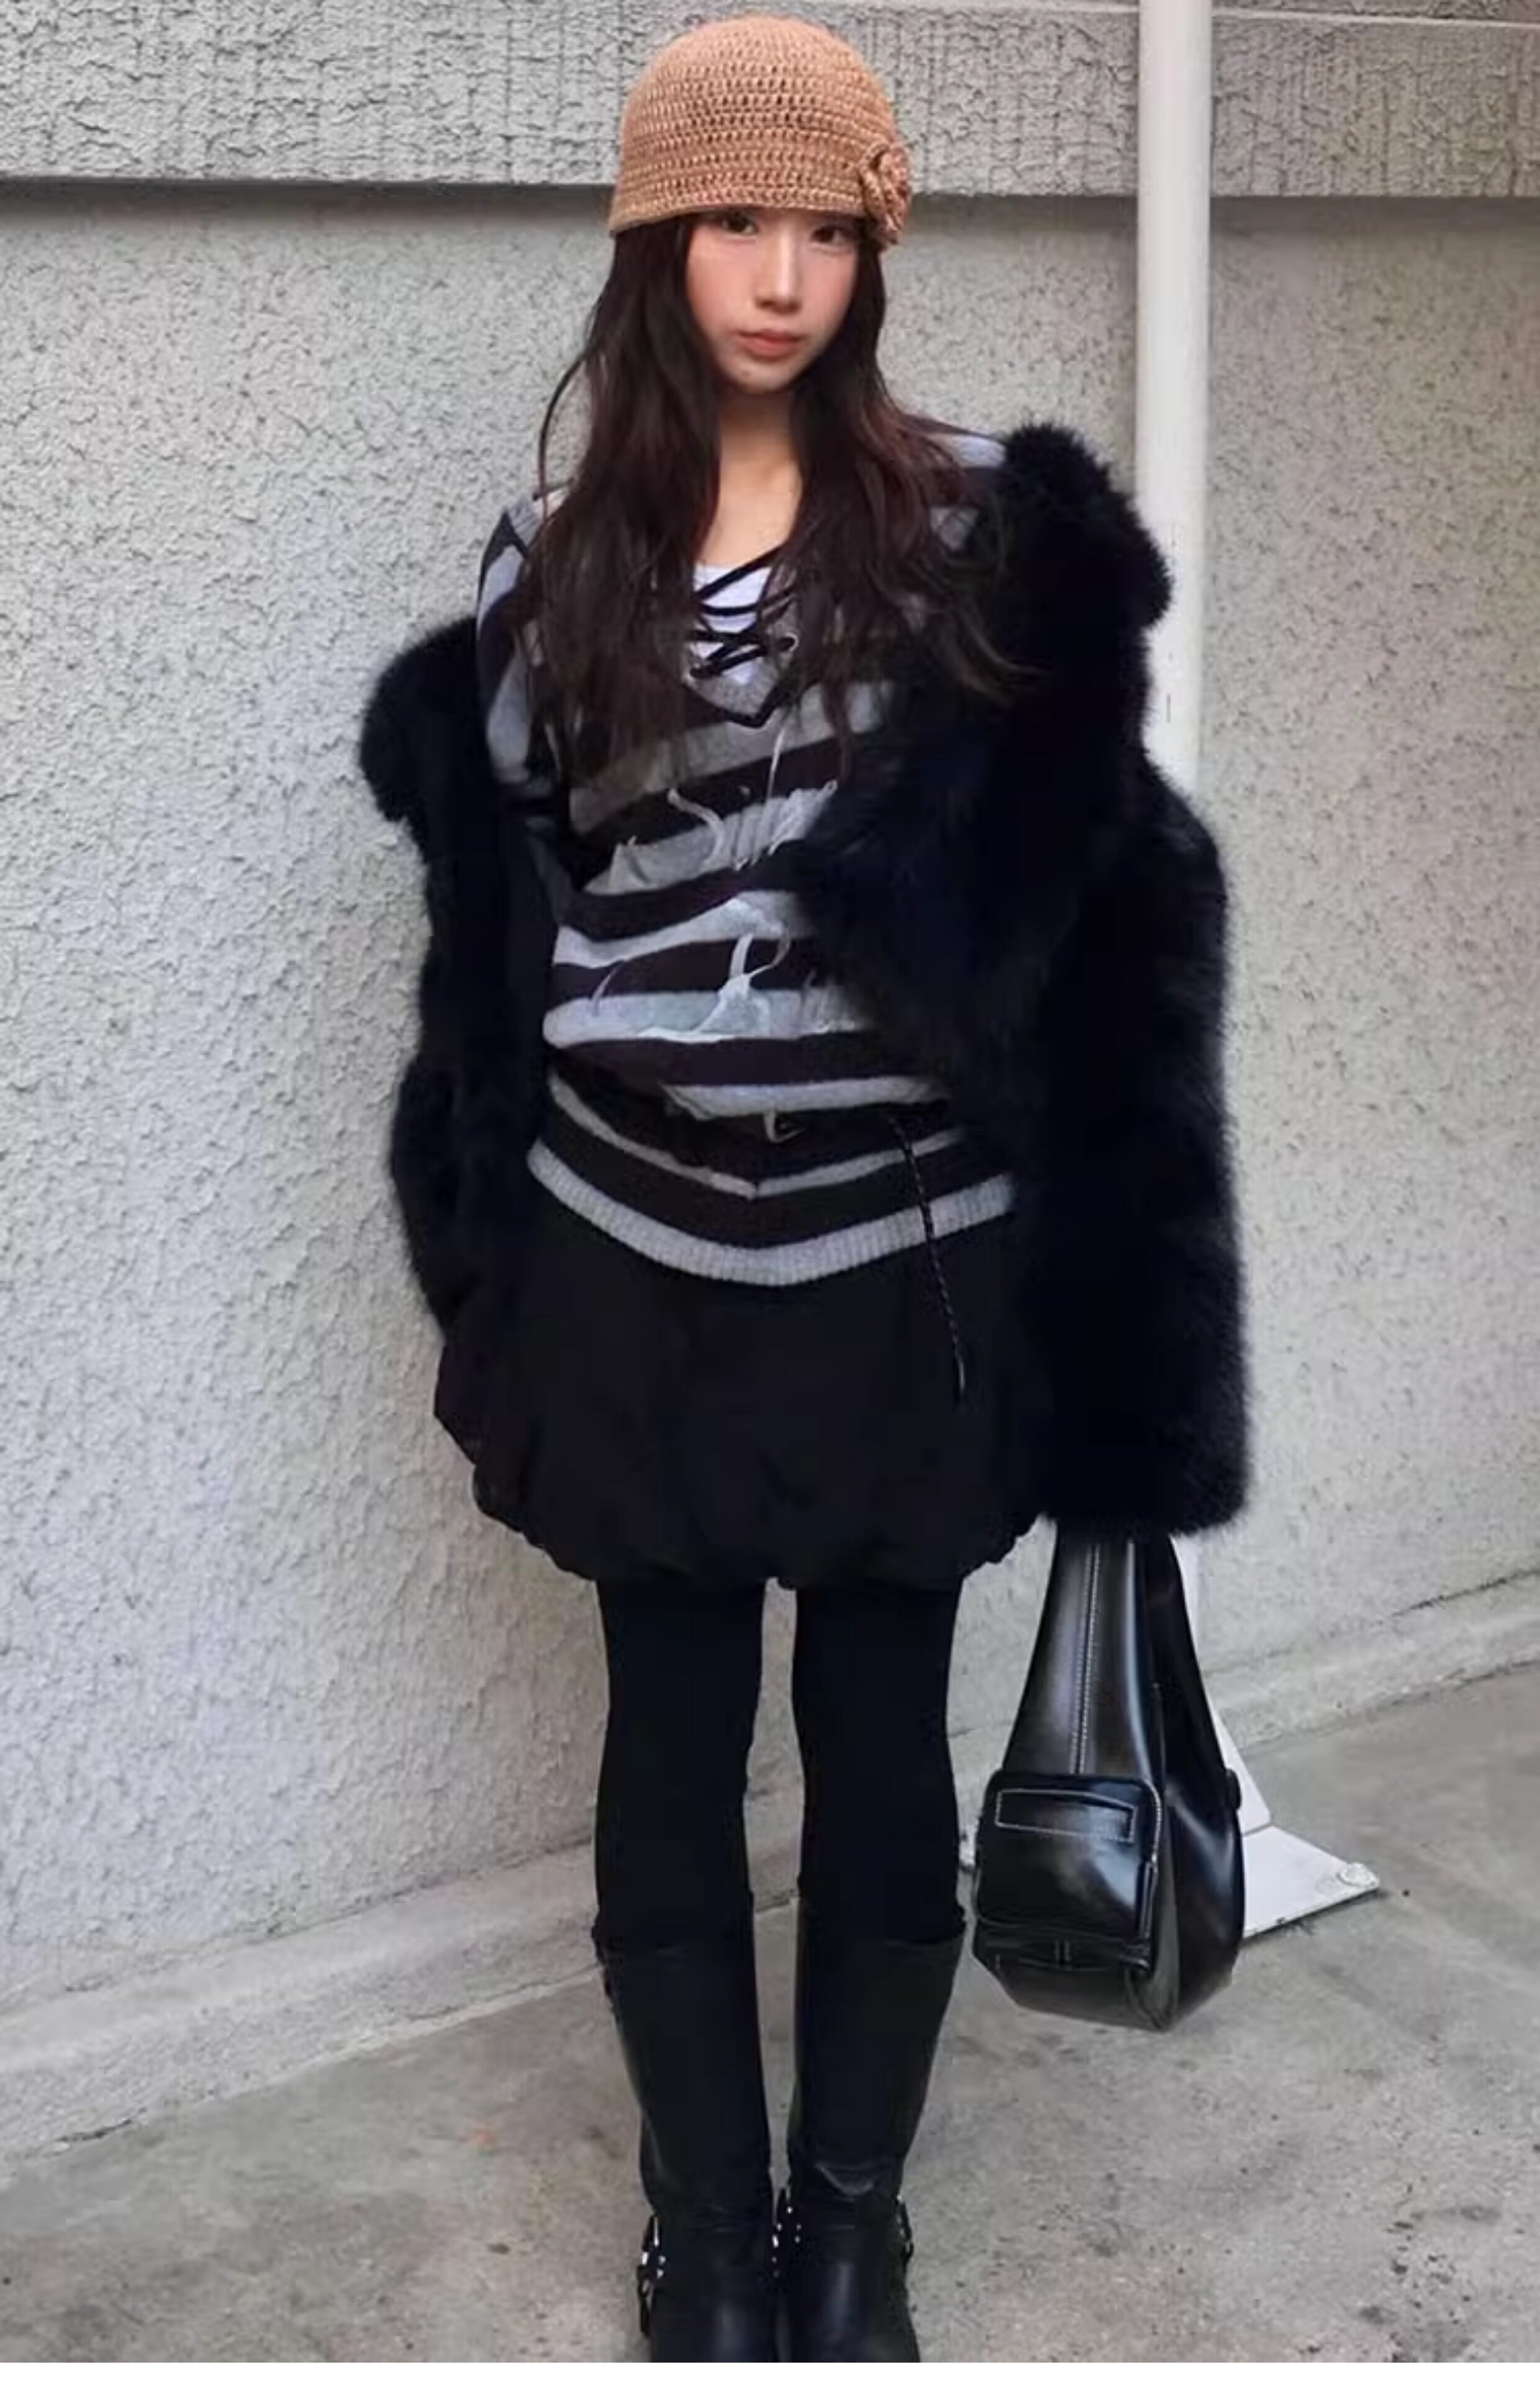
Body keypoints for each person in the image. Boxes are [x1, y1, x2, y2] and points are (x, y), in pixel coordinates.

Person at [357, 12, 1251, 2361]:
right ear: (656, 243)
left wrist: (1124, 1327)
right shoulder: (554, 568)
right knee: (666, 1747)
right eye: (735, 222)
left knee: (877, 1754)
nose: (781, 275)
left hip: (903, 1272)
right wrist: (497, 1248)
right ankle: (707, 2231)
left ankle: (851, 2234)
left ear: (875, 253)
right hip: (631, 1265)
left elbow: (1108, 923)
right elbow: (517, 915)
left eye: (829, 229)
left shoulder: (970, 537)